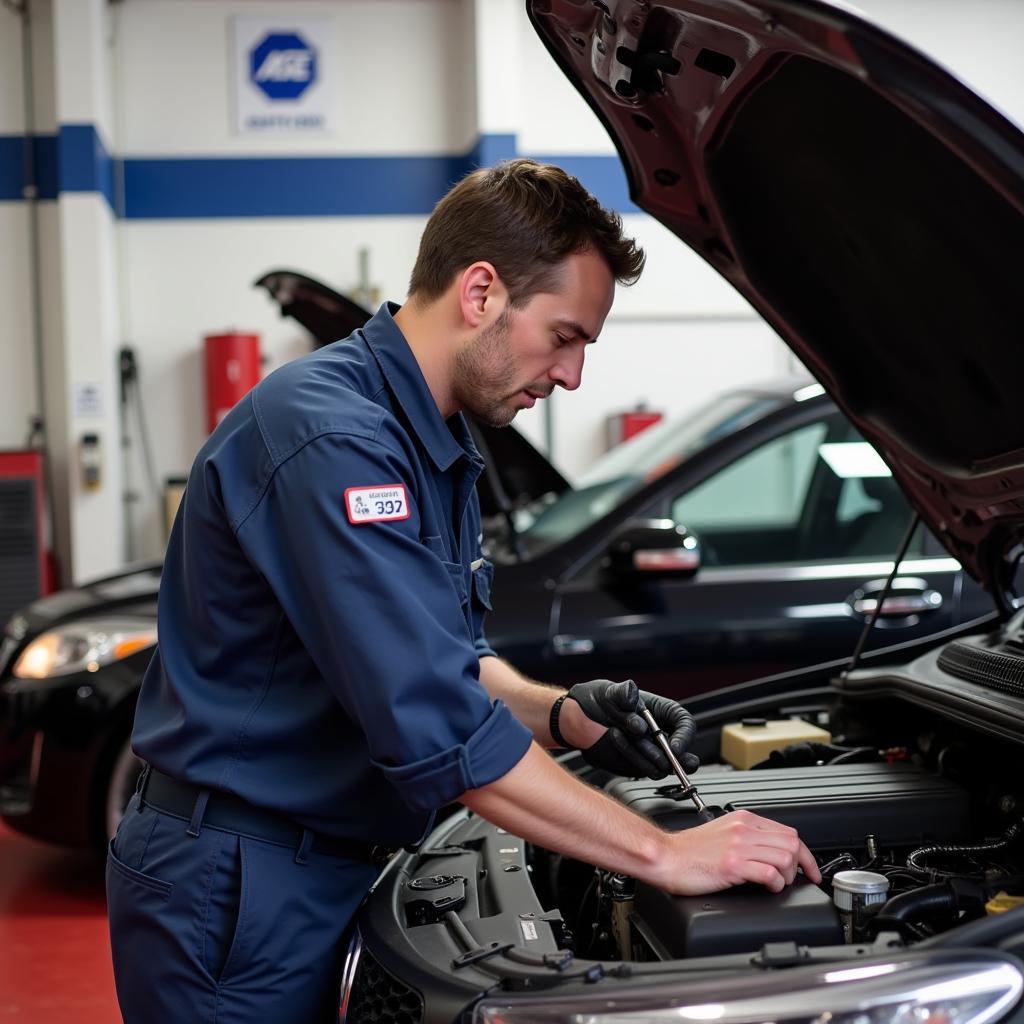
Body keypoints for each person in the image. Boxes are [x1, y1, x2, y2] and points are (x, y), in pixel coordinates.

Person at [106, 159, 819, 1023]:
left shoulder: (434, 445)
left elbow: (448, 661)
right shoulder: (331, 436)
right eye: (565, 335)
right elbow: (431, 721)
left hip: (324, 862)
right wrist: (667, 855)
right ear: (480, 291)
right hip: (236, 883)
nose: (573, 377)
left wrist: (566, 716)